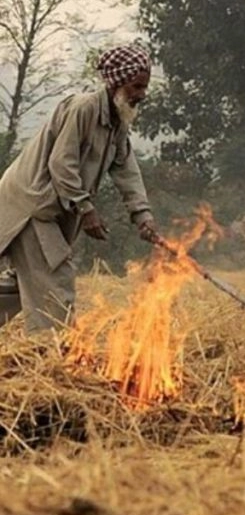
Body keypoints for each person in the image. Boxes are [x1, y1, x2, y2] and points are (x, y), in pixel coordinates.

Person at [0, 45, 160, 332]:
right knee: (54, 282)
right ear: (116, 83)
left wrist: (142, 215)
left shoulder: (118, 120)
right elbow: (61, 164)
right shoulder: (83, 108)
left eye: (144, 87)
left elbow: (126, 169)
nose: (142, 94)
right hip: (33, 206)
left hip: (48, 210)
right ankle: (51, 353)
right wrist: (86, 209)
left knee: (20, 285)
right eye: (137, 86)